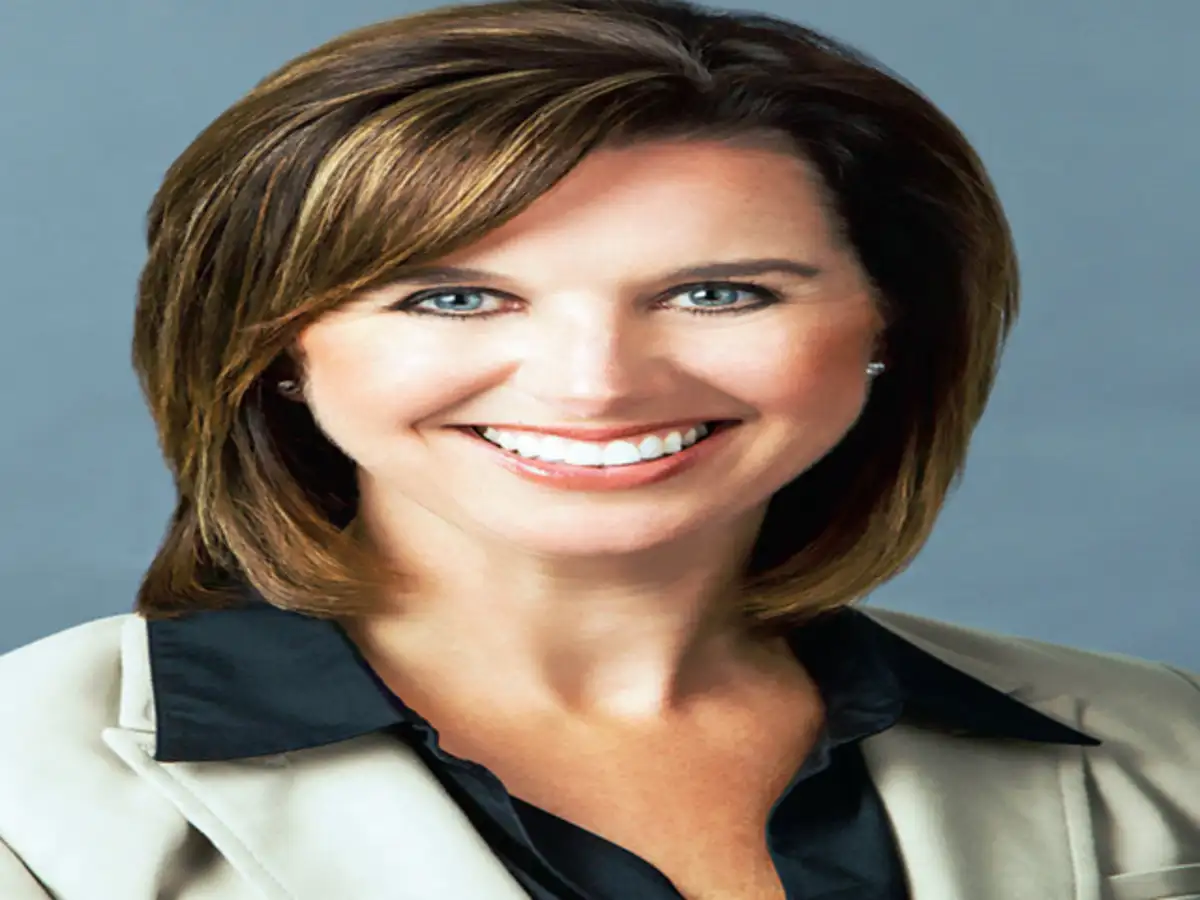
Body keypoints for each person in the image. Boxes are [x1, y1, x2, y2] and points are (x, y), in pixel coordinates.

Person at [1, 0, 1197, 897]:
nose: (597, 383)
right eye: (455, 299)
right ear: (276, 347)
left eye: (718, 293)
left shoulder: (1165, 748)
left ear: (891, 326)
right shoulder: (27, 792)